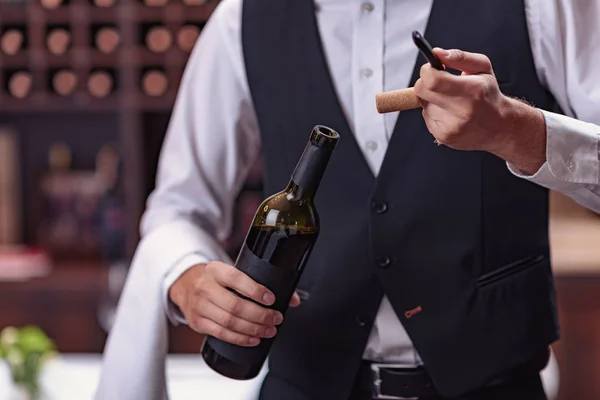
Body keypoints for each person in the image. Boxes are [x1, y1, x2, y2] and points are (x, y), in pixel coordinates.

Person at [94, 0, 599, 399]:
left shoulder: (542, 4)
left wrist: (520, 133)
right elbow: (178, 208)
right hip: (302, 387)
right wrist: (186, 276)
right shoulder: (240, 19)